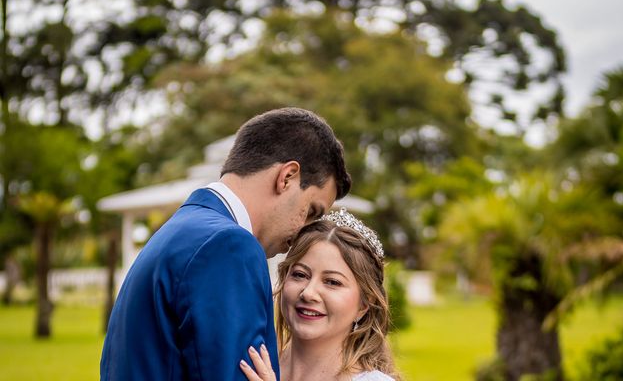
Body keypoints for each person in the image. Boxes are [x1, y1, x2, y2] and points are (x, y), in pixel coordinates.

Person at [100, 107, 351, 380]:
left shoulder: (182, 229)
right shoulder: (228, 247)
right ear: (287, 177)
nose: (304, 234)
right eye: (311, 211)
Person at [240, 209, 399, 381]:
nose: (308, 293)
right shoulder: (254, 365)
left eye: (332, 282)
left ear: (364, 305)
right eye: (300, 275)